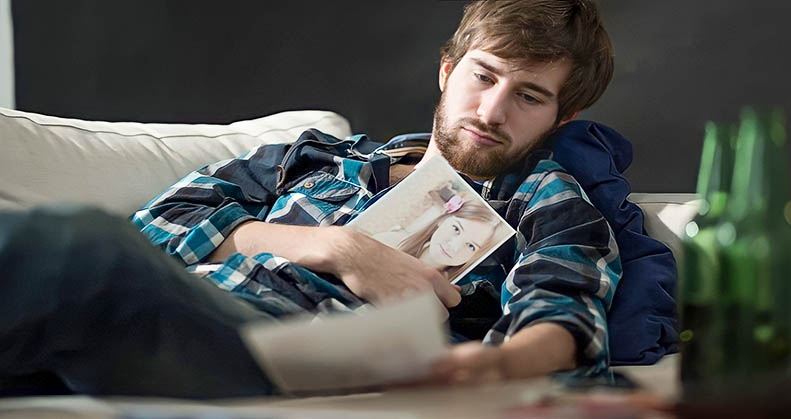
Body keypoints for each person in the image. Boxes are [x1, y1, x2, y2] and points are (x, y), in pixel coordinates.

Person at [0, 0, 635, 397]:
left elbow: (564, 311)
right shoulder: (316, 157)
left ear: (560, 117)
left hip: (284, 347)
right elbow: (156, 226)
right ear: (449, 72)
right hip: (173, 311)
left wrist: (489, 369)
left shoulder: (541, 196)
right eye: (484, 76)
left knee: (77, 243)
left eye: (528, 96)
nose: (491, 111)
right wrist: (334, 245)